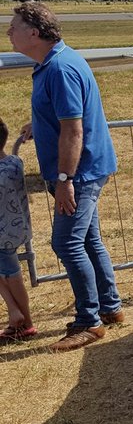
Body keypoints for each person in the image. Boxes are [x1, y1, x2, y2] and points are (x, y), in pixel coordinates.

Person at [6, 1, 124, 352]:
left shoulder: (59, 69)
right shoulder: (54, 63)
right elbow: (65, 116)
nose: (8, 33)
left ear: (34, 33)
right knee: (88, 240)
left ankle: (88, 321)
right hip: (86, 168)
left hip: (80, 173)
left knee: (67, 243)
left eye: (13, 27)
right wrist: (39, 125)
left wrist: (64, 180)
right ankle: (110, 307)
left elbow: (73, 130)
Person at [0, 118, 36, 343]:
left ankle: (25, 321)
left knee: (12, 276)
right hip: (16, 230)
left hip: (2, 236)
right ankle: (16, 314)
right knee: (9, 273)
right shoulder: (14, 163)